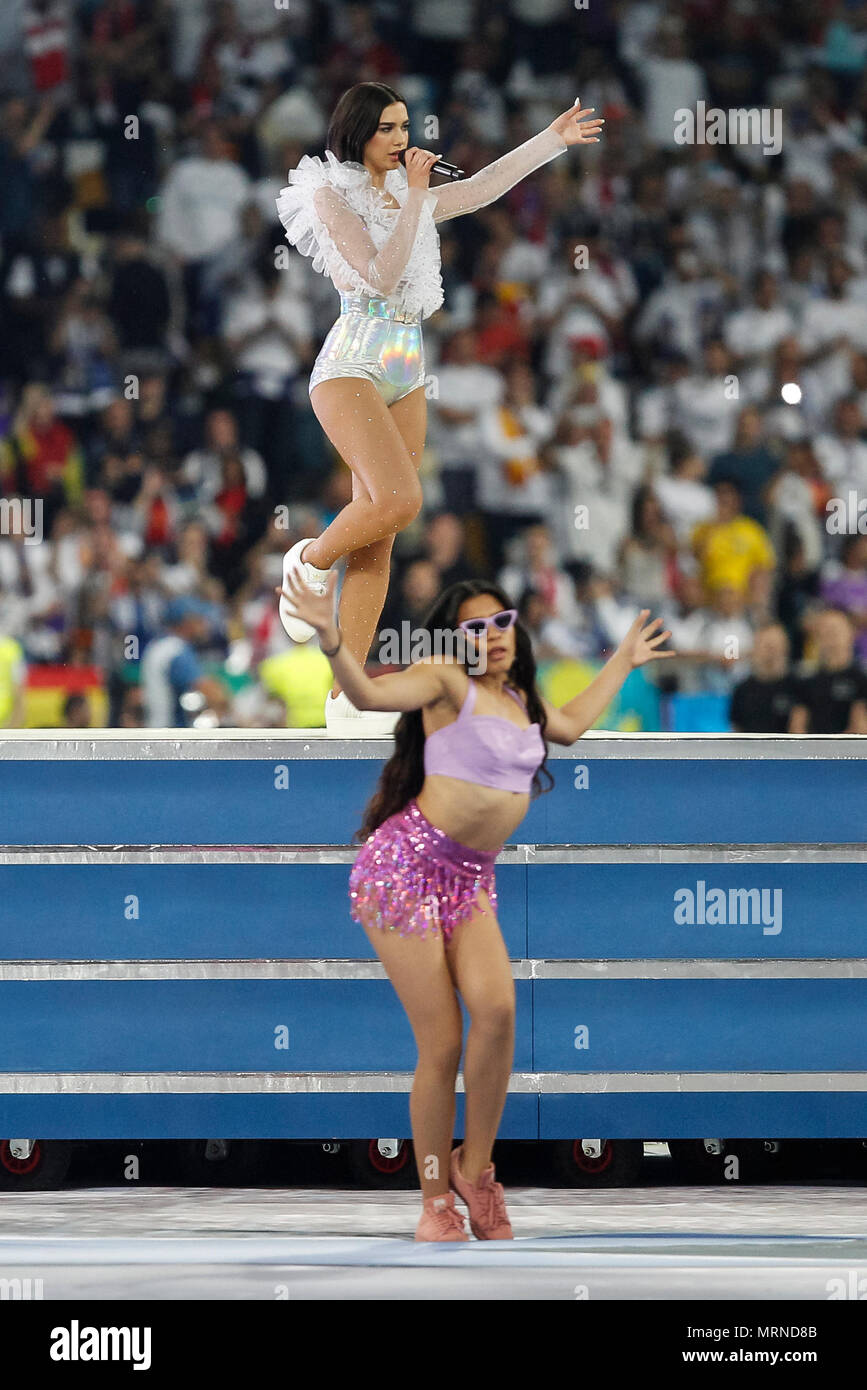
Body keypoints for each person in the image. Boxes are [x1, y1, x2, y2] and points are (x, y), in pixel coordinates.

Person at [276, 566, 675, 1241]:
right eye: (473, 627)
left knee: (497, 1012)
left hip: (469, 879)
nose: (489, 636)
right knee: (442, 1042)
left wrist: (622, 660)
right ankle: (435, 1199)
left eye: (499, 623)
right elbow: (370, 695)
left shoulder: (519, 699)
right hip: (403, 870)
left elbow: (572, 725)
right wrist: (328, 640)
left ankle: (475, 1168)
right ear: (453, 639)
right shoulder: (443, 679)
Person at [274, 81, 604, 737]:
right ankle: (307, 563)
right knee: (399, 500)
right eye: (388, 130)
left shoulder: (409, 193)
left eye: (404, 127)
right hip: (351, 363)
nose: (402, 140)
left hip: (406, 368)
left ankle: (348, 694)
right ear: (358, 134)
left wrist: (550, 139)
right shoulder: (329, 194)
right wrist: (417, 198)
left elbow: (482, 188)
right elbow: (378, 277)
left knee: (382, 535)